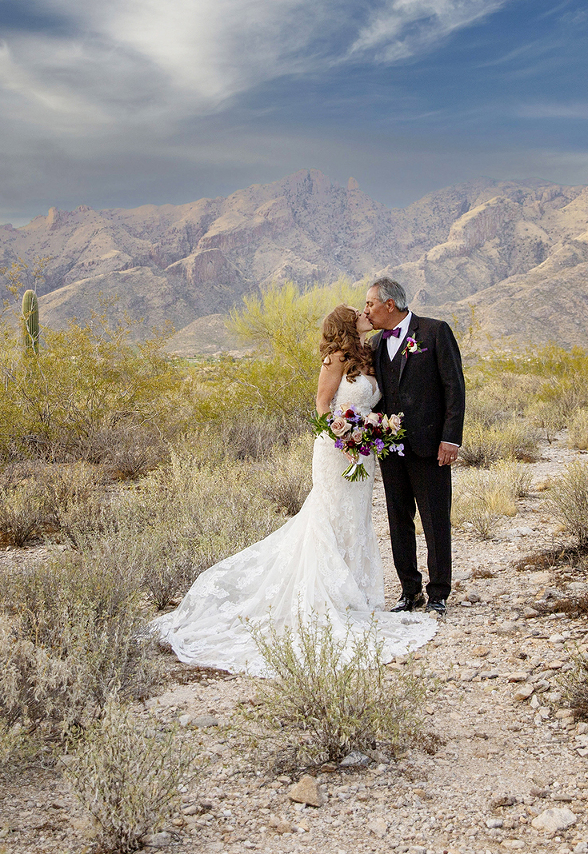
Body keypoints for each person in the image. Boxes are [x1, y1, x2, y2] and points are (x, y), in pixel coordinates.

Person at [150, 305, 438, 675]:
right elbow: (322, 405)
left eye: (368, 308)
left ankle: (356, 596)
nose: (366, 313)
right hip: (336, 450)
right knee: (329, 515)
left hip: (364, 455)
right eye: (359, 312)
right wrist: (344, 436)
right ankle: (325, 597)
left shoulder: (369, 355)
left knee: (356, 519)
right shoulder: (335, 358)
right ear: (347, 325)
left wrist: (372, 430)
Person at [365, 277, 464, 615]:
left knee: (435, 520)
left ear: (389, 304)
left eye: (370, 304)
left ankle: (438, 593)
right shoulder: (377, 343)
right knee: (398, 520)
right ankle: (410, 591)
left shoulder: (435, 332)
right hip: (390, 449)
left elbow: (454, 387)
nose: (367, 310)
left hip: (430, 445)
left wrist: (450, 438)